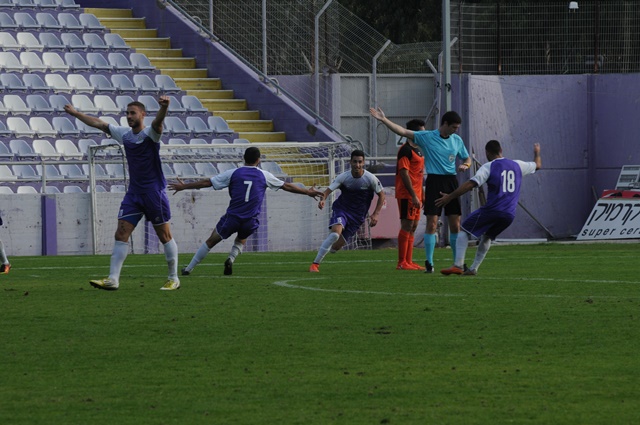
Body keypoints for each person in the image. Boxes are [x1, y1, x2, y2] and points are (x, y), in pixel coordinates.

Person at [64, 96, 181, 291]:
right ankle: (113, 279)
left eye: (132, 113)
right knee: (121, 233)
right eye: (127, 113)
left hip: (153, 192)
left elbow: (158, 123)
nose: (129, 116)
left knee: (164, 235)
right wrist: (76, 113)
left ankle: (173, 278)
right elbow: (99, 124)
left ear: (142, 115)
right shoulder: (125, 135)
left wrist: (164, 108)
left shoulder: (151, 134)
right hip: (134, 193)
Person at [169, 146, 323, 276]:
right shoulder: (264, 175)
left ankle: (188, 269)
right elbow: (287, 186)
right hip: (250, 220)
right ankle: (231, 258)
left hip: (232, 217)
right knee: (242, 238)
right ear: (258, 160)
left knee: (211, 241)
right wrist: (307, 192)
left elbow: (207, 182)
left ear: (244, 159)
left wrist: (184, 186)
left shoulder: (233, 173)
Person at [370, 107, 471, 273]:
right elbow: (402, 131)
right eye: (454, 127)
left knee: (455, 224)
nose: (455, 130)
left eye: (457, 128)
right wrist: (384, 119)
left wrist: (466, 164)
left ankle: (457, 262)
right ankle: (429, 263)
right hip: (434, 181)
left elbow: (466, 157)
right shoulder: (427, 137)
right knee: (431, 223)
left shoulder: (456, 140)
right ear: (445, 124)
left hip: (451, 181)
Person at [436, 141, 542, 275]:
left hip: (493, 210)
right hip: (509, 214)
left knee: (464, 230)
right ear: (501, 150)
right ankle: (473, 268)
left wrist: (450, 197)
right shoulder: (517, 165)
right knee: (487, 237)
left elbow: (470, 184)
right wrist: (537, 152)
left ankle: (458, 265)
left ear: (487, 153)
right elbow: (537, 165)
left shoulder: (489, 166)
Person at [310, 149, 385, 272]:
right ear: (350, 162)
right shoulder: (344, 177)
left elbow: (381, 195)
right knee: (335, 234)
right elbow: (327, 191)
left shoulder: (370, 178)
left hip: (357, 217)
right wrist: (323, 199)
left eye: (360, 162)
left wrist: (376, 214)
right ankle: (315, 264)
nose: (357, 165)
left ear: (363, 162)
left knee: (335, 247)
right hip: (342, 210)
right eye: (355, 162)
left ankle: (330, 247)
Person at [395, 119, 426, 271]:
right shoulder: (405, 150)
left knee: (413, 226)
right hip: (407, 194)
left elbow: (418, 175)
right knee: (407, 225)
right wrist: (413, 195)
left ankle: (409, 261)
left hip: (417, 194)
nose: (424, 135)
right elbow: (404, 173)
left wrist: (422, 193)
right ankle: (401, 262)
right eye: (421, 132)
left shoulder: (418, 150)